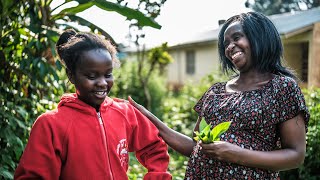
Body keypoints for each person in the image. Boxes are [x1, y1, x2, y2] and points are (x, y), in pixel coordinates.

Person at [128, 12, 309, 179]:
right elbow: (196, 146)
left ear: (259, 36)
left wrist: (237, 154)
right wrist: (151, 120)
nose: (230, 47)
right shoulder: (216, 92)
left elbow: (295, 155)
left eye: (237, 38)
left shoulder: (282, 88)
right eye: (226, 44)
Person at [14, 29, 172, 180]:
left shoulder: (125, 112)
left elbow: (154, 146)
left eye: (108, 74)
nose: (102, 83)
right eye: (92, 76)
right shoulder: (51, 125)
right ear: (71, 76)